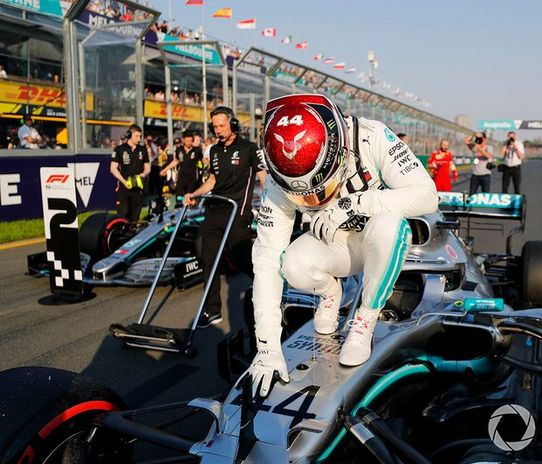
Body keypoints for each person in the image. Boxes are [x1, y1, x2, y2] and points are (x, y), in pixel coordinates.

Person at [236, 94, 438, 398]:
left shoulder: (371, 136)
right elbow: (265, 259)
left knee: (390, 226)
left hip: (377, 239)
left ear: (340, 149)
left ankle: (365, 319)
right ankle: (331, 293)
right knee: (290, 262)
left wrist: (357, 203)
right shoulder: (277, 180)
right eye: (303, 195)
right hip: (335, 246)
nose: (314, 200)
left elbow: (426, 195)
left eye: (321, 185)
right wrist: (266, 346)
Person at [184, 107, 266, 328]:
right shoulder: (214, 151)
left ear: (234, 125)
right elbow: (212, 180)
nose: (218, 130)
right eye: (215, 126)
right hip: (215, 210)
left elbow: (262, 178)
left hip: (237, 211)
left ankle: (267, 287)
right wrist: (195, 193)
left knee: (240, 257)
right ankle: (212, 310)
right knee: (208, 261)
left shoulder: (249, 149)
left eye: (222, 125)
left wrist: (269, 204)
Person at [110, 125, 150, 223]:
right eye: (136, 136)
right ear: (129, 135)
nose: (139, 139)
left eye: (140, 136)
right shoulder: (119, 149)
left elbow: (148, 167)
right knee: (123, 215)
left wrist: (144, 174)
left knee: (135, 218)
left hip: (138, 188)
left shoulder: (142, 150)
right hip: (124, 188)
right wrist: (124, 182)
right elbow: (113, 168)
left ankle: (133, 236)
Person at [160, 129, 203, 201]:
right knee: (179, 198)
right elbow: (176, 161)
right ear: (183, 140)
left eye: (190, 141)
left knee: (189, 198)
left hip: (192, 178)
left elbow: (203, 160)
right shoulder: (179, 149)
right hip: (181, 177)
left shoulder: (197, 150)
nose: (189, 143)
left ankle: (189, 210)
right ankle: (179, 208)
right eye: (187, 141)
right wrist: (165, 170)